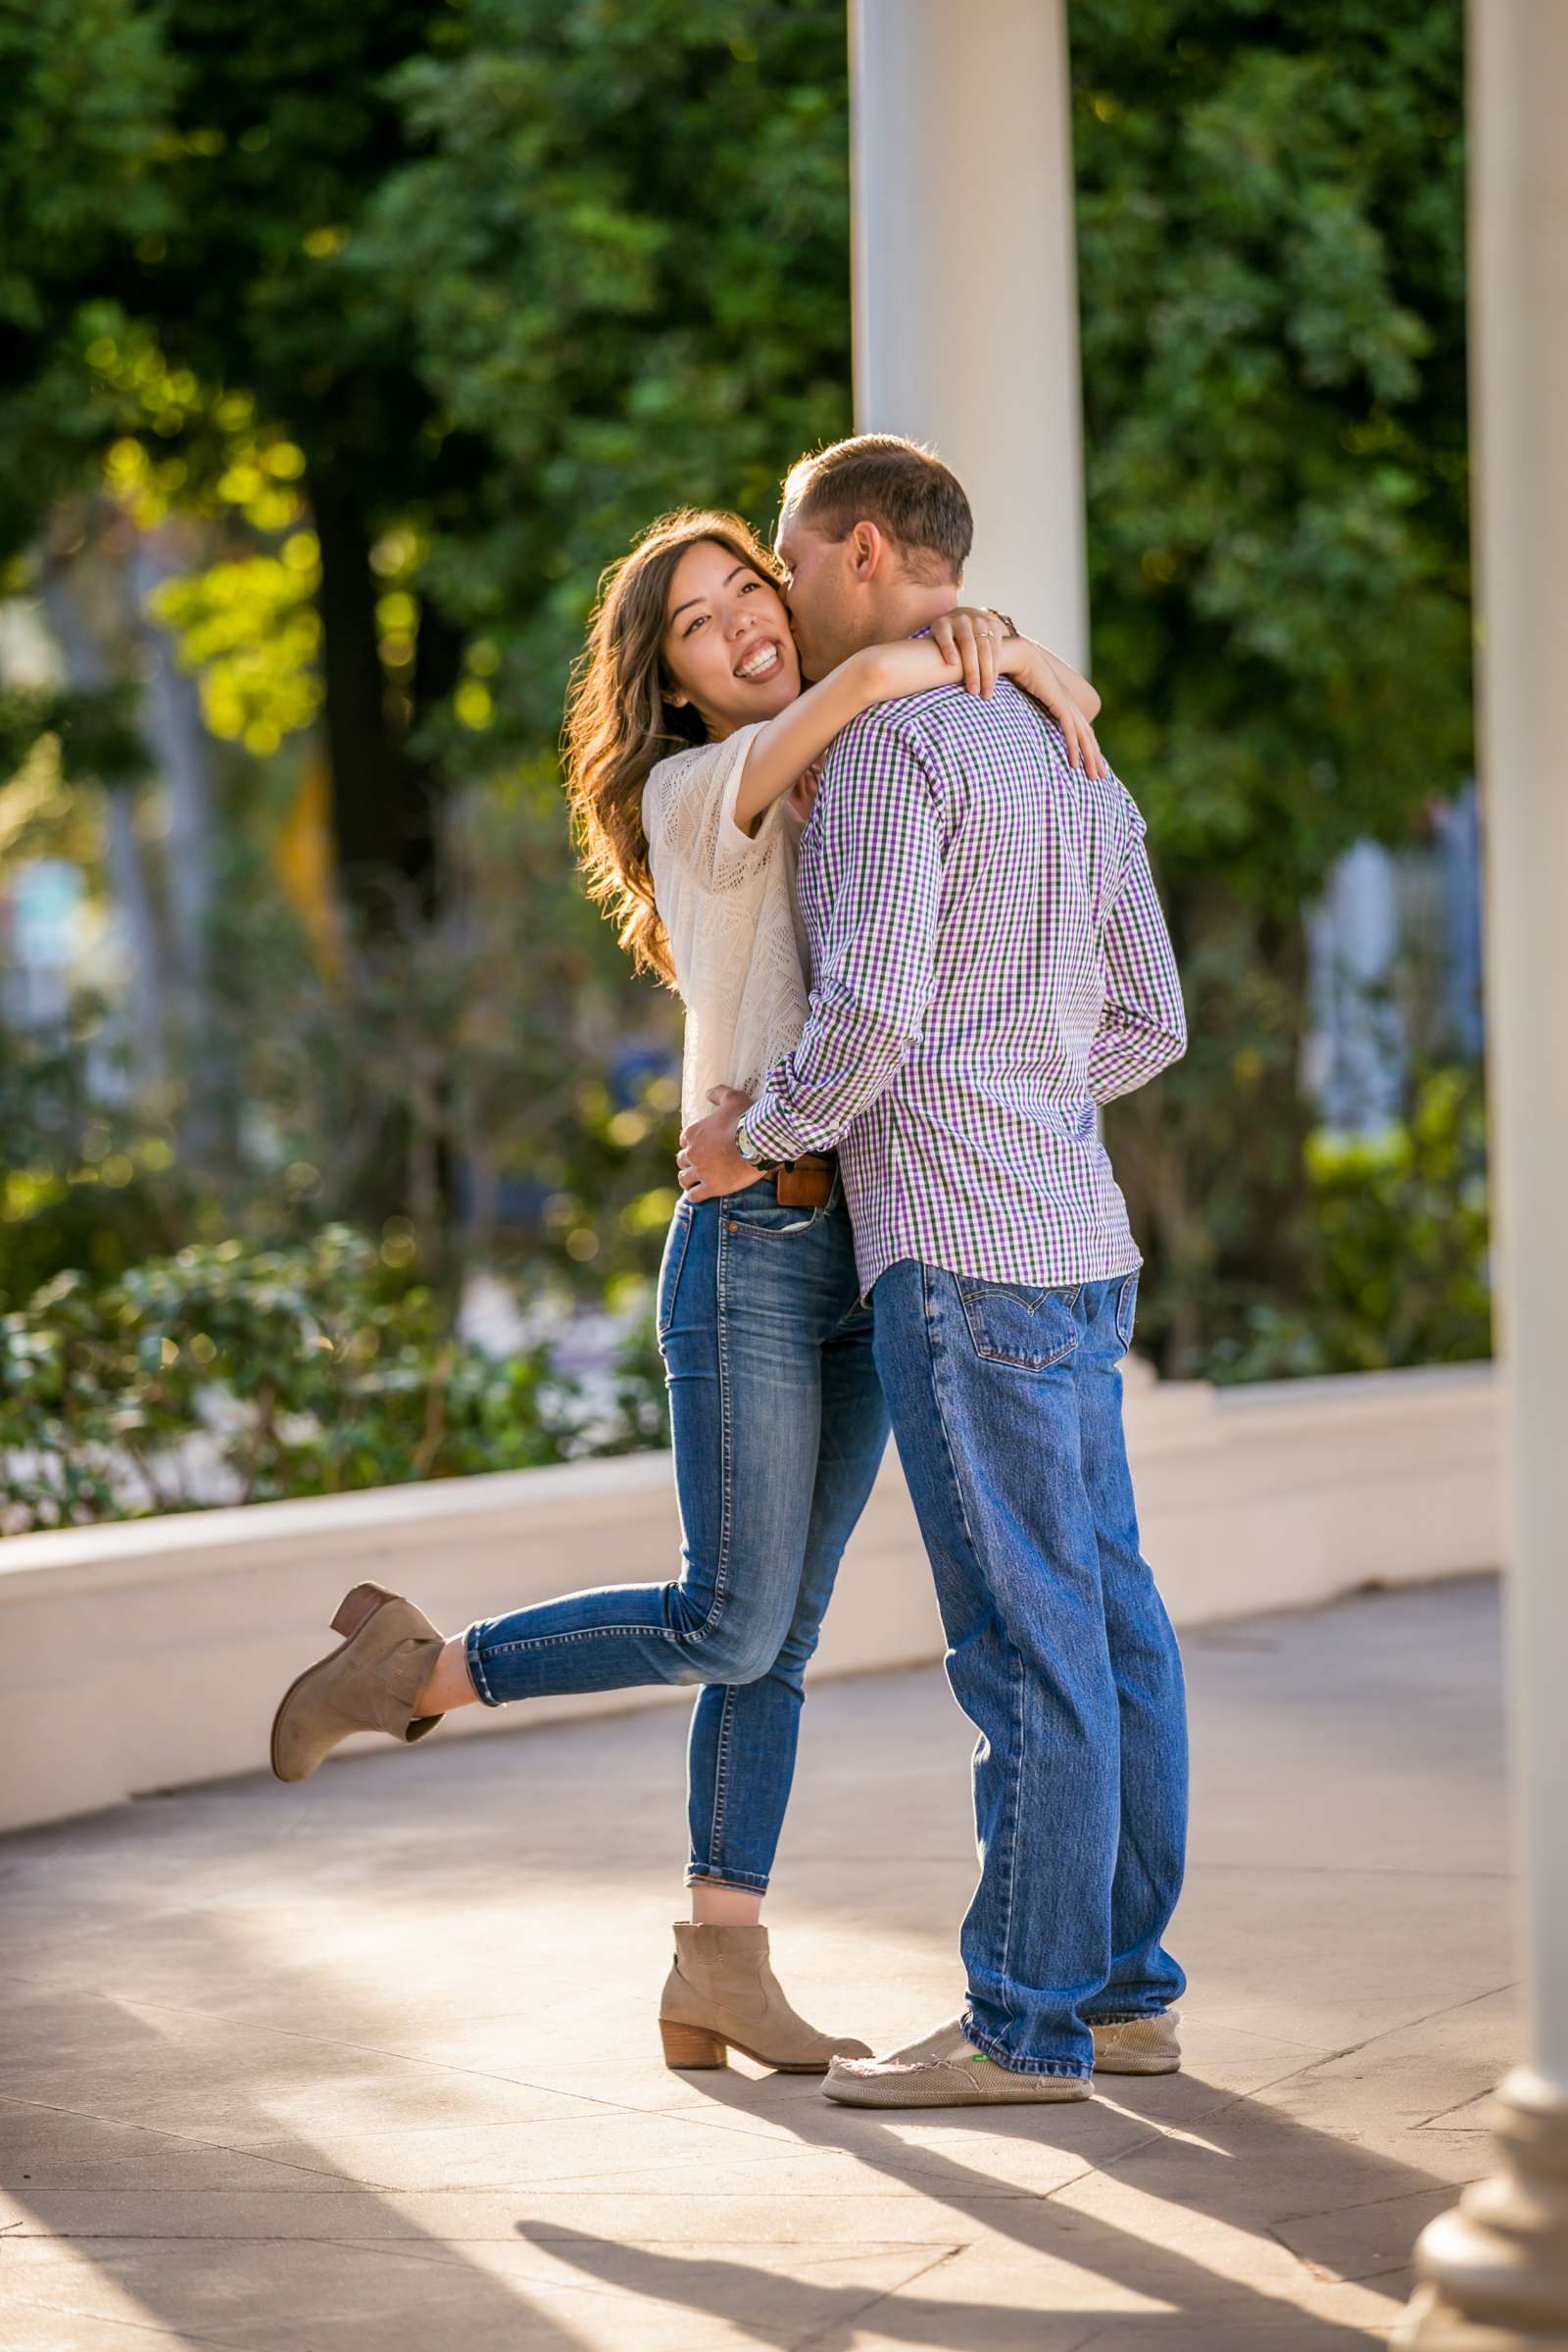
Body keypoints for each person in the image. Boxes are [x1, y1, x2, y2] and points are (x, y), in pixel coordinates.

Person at [269, 500, 1104, 2078]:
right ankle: (423, 1671)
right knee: (726, 1616)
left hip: (877, 1238)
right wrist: (976, 648)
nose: (744, 623)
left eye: (748, 589)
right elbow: (866, 687)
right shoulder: (698, 786)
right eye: (701, 623)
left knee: (776, 1638)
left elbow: (904, 712)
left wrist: (1000, 656)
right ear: (672, 687)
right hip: (757, 1250)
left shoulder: (863, 768)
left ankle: (722, 1965)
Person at [678, 435, 1190, 2108]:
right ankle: (1120, 1991)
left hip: (959, 1250)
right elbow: (1150, 1018)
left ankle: (1023, 2023)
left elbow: (879, 1010)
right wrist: (1027, 1082)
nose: (787, 589)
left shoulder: (897, 746)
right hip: (1081, 1236)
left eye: (795, 559)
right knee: (1110, 1625)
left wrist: (768, 1137)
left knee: (1028, 1644)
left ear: (869, 553)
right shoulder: (1062, 734)